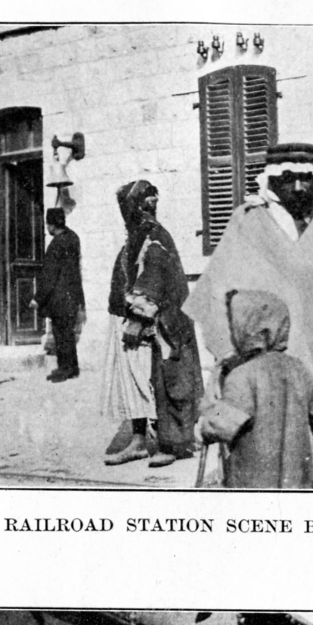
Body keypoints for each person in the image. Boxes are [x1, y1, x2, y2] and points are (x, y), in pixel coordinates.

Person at [184, 143, 313, 487]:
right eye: (287, 178)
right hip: (258, 358)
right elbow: (218, 291)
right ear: (271, 180)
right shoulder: (248, 221)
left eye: (307, 179)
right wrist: (230, 353)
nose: (298, 187)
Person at [102, 180, 203, 467]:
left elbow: (154, 275)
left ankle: (166, 440)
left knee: (153, 379)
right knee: (134, 381)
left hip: (150, 323)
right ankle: (138, 441)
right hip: (128, 317)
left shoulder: (154, 235)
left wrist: (136, 319)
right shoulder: (137, 236)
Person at [198, 290, 313, 489]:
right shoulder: (300, 370)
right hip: (298, 481)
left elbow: (222, 423)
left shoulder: (242, 376)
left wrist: (204, 428)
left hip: (252, 485)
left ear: (244, 330)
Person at [31, 208, 85, 383]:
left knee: (61, 335)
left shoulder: (56, 244)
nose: (47, 228)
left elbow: (49, 276)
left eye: (48, 224)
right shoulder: (73, 238)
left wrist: (37, 298)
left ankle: (64, 369)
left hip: (59, 298)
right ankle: (72, 368)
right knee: (68, 334)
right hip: (72, 296)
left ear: (52, 225)